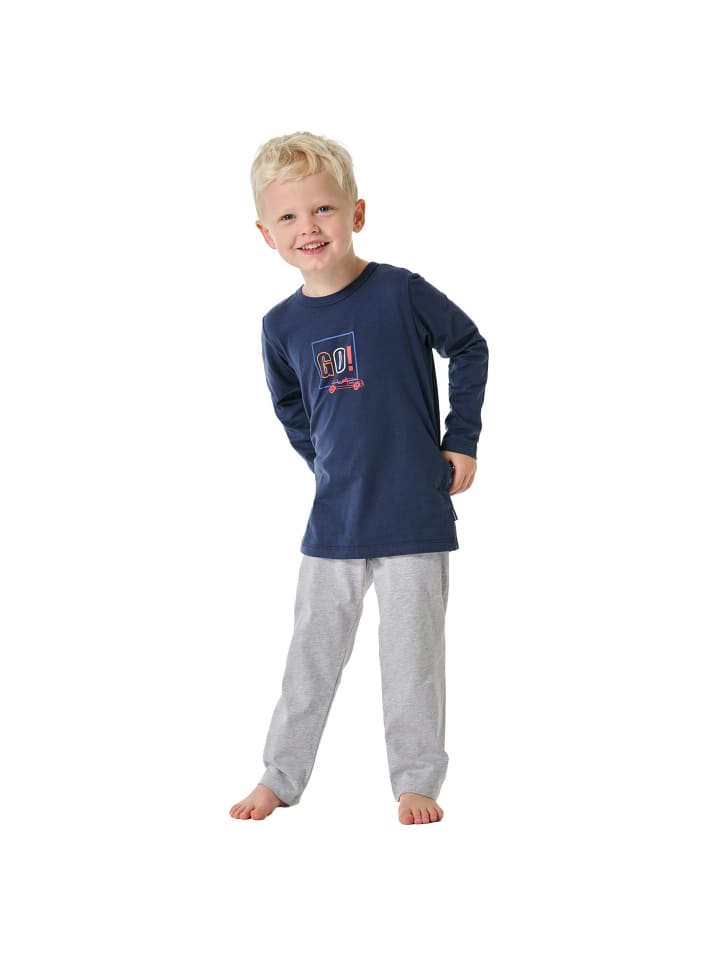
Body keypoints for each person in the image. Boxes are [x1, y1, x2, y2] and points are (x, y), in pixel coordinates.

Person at [229, 132, 489, 825]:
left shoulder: (401, 291)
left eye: (323, 209)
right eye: (289, 216)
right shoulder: (280, 325)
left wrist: (461, 441)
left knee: (412, 657)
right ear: (266, 234)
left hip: (412, 513)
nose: (309, 227)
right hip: (336, 519)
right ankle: (280, 776)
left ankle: (417, 781)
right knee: (310, 656)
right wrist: (325, 463)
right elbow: (290, 406)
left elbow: (468, 345)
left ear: (357, 213)